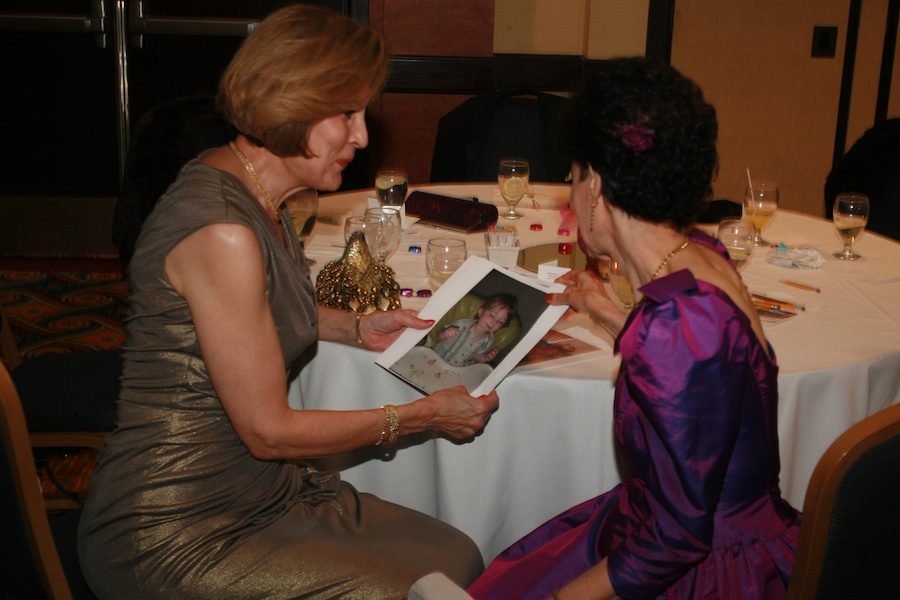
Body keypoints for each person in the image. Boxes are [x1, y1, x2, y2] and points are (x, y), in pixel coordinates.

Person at [77, 6, 497, 599]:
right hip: (178, 524)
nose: (362, 136)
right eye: (346, 114)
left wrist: (355, 328)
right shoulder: (224, 230)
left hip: (263, 489)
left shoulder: (250, 185)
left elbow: (245, 313)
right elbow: (269, 433)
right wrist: (422, 417)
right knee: (410, 590)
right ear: (288, 104)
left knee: (457, 555)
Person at [468, 57, 801, 600]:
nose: (570, 197)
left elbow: (678, 536)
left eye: (573, 176)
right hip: (720, 527)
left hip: (708, 567)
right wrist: (602, 308)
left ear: (596, 184)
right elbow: (699, 376)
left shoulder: (675, 322)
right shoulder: (702, 255)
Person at [432, 293, 519, 366]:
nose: (494, 322)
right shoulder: (462, 324)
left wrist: (484, 357)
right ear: (481, 312)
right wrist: (445, 333)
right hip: (436, 358)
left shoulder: (488, 340)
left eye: (500, 322)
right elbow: (439, 336)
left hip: (458, 369)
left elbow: (475, 355)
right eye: (492, 316)